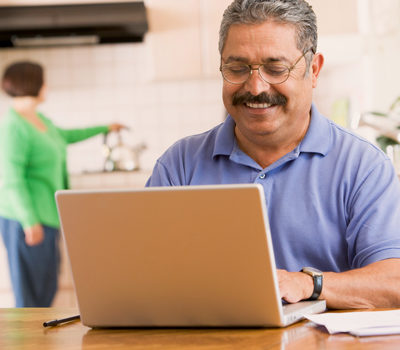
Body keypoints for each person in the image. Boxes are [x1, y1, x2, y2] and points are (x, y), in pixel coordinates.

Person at [146, 0, 400, 309]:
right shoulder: (179, 165)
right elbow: (143, 275)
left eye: (276, 68)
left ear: (314, 69)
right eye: (237, 68)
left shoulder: (363, 166)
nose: (255, 87)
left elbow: (393, 283)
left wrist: (310, 284)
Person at [0, 61, 125, 307]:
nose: (46, 86)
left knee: (46, 289)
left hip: (47, 216)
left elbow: (66, 136)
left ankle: (38, 345)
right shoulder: (12, 127)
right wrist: (29, 222)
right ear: (31, 83)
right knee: (30, 297)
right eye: (43, 81)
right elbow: (11, 180)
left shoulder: (38, 120)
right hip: (26, 220)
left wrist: (105, 127)